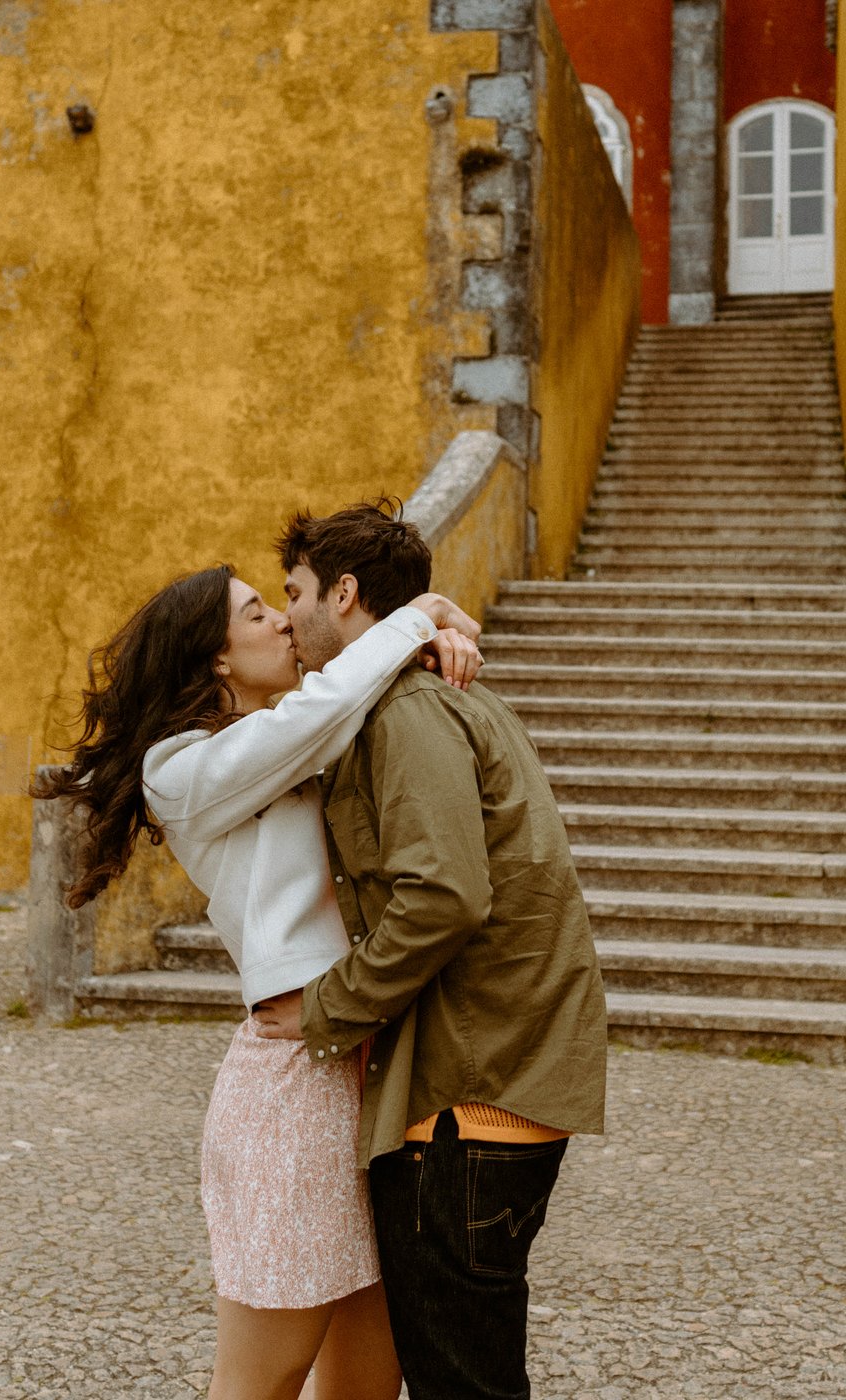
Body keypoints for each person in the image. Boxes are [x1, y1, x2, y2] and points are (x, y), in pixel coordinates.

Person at [33, 561, 482, 1400]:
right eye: (256, 613)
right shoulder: (184, 769)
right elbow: (319, 710)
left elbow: (344, 710)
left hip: (373, 1070)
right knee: (258, 1383)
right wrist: (414, 617)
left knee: (366, 1381)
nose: (284, 622)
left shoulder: (294, 736)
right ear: (215, 658)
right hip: (294, 1093)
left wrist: (434, 647)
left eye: (280, 605)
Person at [255, 501, 608, 1400]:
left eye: (291, 593)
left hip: (469, 1097)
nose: (284, 616)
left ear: (341, 593)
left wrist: (326, 1008)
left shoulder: (408, 709)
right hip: (483, 1087)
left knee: (463, 1380)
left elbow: (444, 895)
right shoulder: (410, 695)